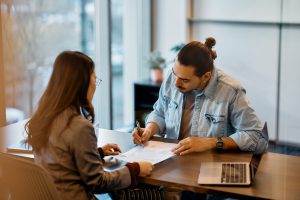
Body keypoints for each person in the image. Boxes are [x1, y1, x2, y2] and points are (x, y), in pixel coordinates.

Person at [25, 51, 153, 200]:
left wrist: (96, 153)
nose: (95, 85)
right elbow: (98, 183)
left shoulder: (43, 117)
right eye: (95, 79)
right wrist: (135, 169)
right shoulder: (79, 126)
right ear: (82, 83)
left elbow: (60, 161)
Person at [133, 37, 269, 156]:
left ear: (206, 77)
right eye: (175, 74)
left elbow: (257, 138)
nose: (175, 83)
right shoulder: (172, 77)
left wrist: (210, 143)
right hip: (171, 159)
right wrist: (149, 130)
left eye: (185, 80)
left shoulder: (231, 90)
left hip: (210, 164)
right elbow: (160, 113)